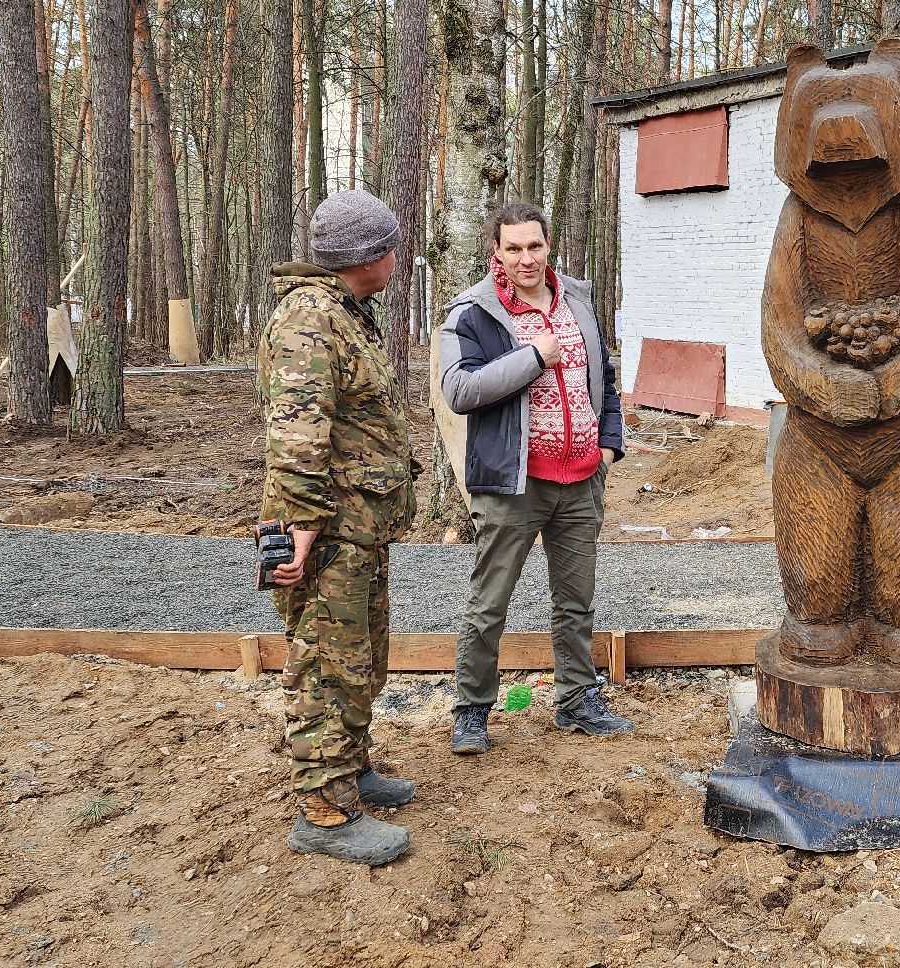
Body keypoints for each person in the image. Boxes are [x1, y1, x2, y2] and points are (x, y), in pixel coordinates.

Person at [435, 201, 630, 755]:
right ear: (495, 250)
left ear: (549, 246)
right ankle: (471, 710)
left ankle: (576, 700)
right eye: (513, 247)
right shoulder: (473, 312)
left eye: (535, 246)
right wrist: (532, 358)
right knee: (488, 603)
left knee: (576, 602)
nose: (526, 258)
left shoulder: (577, 301)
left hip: (581, 478)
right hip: (512, 482)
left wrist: (610, 440)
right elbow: (461, 391)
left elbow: (604, 374)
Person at [259, 189, 417, 866]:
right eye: (390, 246)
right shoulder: (310, 322)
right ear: (370, 257)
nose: (395, 257)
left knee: (358, 660)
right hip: (323, 532)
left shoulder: (346, 313)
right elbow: (297, 436)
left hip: (355, 526)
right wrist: (299, 531)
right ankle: (323, 812)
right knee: (325, 668)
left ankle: (351, 773)